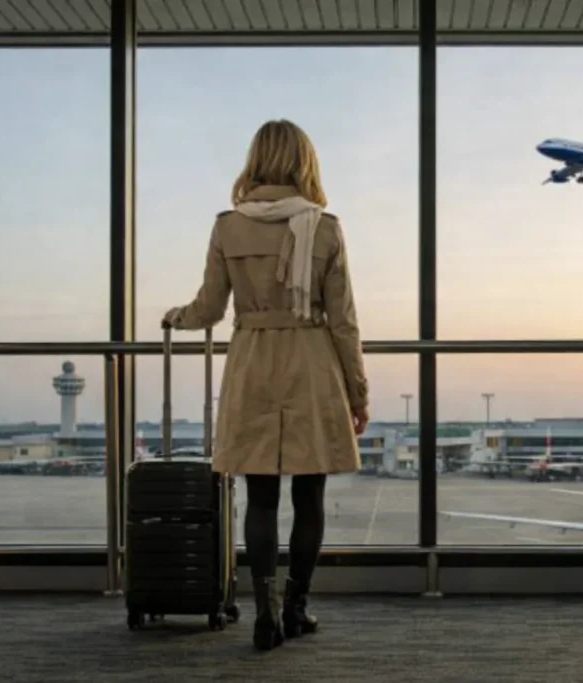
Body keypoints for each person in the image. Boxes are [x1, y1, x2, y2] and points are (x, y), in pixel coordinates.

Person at [163, 119, 370, 652]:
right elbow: (344, 322)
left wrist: (176, 317)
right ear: (305, 162)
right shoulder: (325, 228)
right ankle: (297, 607)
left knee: (259, 497)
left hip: (252, 360)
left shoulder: (228, 226)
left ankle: (266, 613)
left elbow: (209, 308)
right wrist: (357, 393)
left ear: (255, 160)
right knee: (309, 495)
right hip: (311, 363)